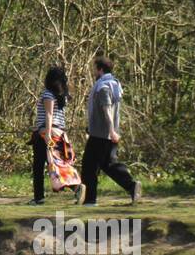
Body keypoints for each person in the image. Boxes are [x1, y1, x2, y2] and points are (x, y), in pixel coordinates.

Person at [81, 55, 140, 206]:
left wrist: (112, 131)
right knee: (98, 165)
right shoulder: (114, 84)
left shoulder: (103, 87)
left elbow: (107, 109)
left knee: (99, 165)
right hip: (101, 133)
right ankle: (90, 199)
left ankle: (131, 186)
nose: (94, 71)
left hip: (102, 135)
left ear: (100, 70)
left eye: (95, 69)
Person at [29, 66, 78, 204]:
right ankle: (76, 187)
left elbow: (49, 115)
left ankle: (38, 197)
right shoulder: (62, 95)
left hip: (46, 134)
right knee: (57, 162)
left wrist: (47, 135)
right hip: (59, 134)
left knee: (39, 164)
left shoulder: (48, 94)